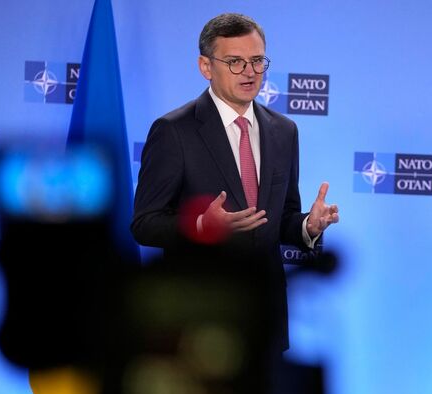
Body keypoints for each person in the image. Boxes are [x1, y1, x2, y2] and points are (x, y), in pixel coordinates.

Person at [131, 13, 339, 350]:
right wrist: (201, 225)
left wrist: (308, 227)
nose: (250, 72)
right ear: (206, 66)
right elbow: (144, 224)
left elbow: (281, 217)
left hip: (265, 313)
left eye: (257, 61)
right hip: (197, 316)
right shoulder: (174, 131)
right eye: (235, 62)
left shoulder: (284, 131)